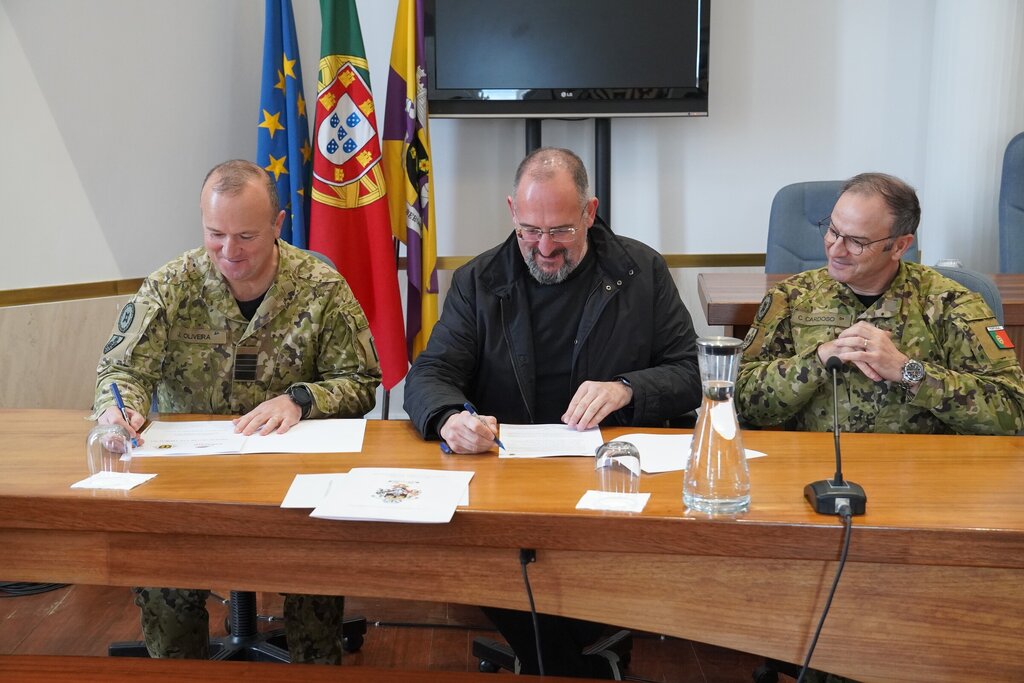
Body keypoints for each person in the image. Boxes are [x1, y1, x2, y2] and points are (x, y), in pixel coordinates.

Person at [404, 147, 702, 677]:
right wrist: (450, 416)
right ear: (512, 210)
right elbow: (430, 374)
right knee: (479, 554)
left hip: (611, 470)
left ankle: (567, 654)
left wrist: (627, 388)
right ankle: (580, 664)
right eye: (529, 230)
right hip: (507, 473)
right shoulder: (479, 280)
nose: (543, 248)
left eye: (560, 231)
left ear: (590, 212)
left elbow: (687, 375)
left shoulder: (641, 270)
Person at [92, 159, 382, 662]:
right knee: (162, 572)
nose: (229, 252)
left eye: (246, 236)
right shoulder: (170, 287)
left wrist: (301, 399)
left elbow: (361, 381)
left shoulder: (321, 287)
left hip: (292, 474)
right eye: (215, 234)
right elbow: (121, 372)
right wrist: (120, 412)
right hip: (191, 474)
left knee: (316, 571)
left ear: (278, 223)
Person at [736, 172, 1024, 435]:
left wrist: (910, 372)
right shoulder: (792, 297)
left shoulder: (951, 304)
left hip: (922, 474)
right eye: (833, 231)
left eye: (856, 242)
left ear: (900, 246)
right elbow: (742, 402)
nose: (835, 249)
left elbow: (1014, 413)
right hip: (815, 467)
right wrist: (817, 361)